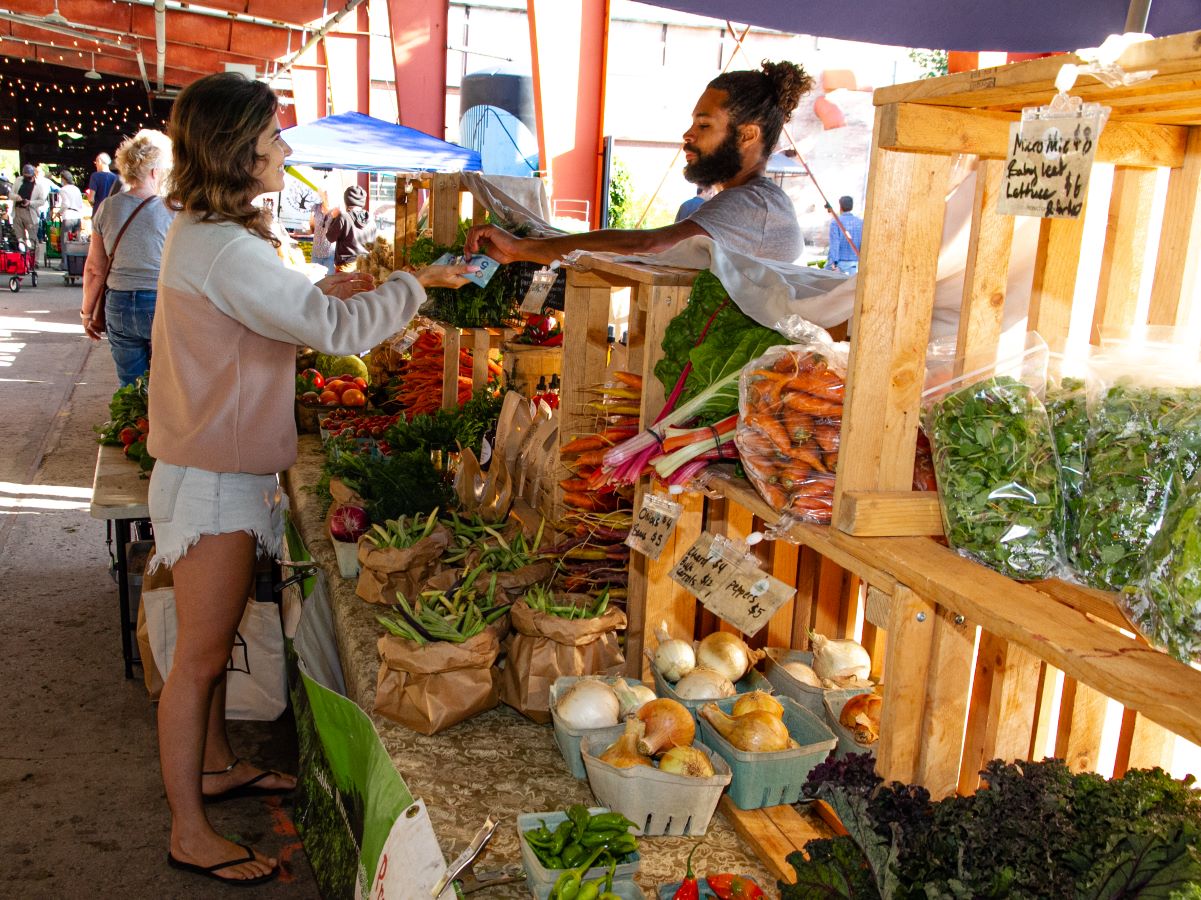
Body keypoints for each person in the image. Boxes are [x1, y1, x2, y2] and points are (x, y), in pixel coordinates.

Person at [143, 71, 472, 887]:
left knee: (209, 650)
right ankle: (188, 830)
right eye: (272, 136)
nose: (284, 148)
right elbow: (335, 334)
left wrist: (316, 288)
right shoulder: (224, 245)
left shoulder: (211, 236)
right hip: (212, 478)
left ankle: (216, 766)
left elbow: (259, 315)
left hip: (214, 467)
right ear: (237, 149)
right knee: (199, 660)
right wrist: (415, 285)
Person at [465, 60, 813, 265]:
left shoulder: (753, 205)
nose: (688, 135)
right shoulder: (756, 202)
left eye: (705, 125)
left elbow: (648, 245)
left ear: (747, 135)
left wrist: (523, 248)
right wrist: (529, 249)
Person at [81, 130, 176, 386]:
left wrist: (87, 313)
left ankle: (133, 412)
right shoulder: (172, 210)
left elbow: (94, 269)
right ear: (155, 172)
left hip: (118, 303)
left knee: (130, 385)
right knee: (165, 384)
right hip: (158, 302)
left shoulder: (107, 207)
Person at [326, 183, 376, 271]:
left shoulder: (344, 217)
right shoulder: (371, 218)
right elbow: (373, 243)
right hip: (365, 265)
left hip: (346, 267)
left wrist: (334, 218)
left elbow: (330, 237)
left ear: (347, 201)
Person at [12, 164, 50, 256]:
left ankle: (35, 260)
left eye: (28, 177)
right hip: (17, 211)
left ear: (33, 175)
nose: (26, 178)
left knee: (33, 239)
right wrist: (17, 197)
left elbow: (42, 201)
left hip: (30, 213)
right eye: (25, 176)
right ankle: (23, 258)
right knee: (20, 238)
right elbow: (11, 194)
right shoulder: (18, 181)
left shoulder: (39, 186)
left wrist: (30, 202)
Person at [826, 195, 863, 274]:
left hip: (841, 264)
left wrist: (832, 263)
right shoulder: (861, 222)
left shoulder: (835, 222)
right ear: (851, 207)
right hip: (856, 264)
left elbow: (835, 244)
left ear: (840, 206)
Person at [309, 181, 337, 274]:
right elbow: (311, 227)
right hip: (316, 252)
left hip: (330, 254)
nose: (327, 196)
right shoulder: (315, 208)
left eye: (329, 194)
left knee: (329, 280)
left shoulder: (336, 210)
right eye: (325, 194)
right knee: (314, 280)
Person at [56, 170, 84, 240]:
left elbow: (66, 204)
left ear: (63, 179)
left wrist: (59, 212)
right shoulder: (76, 189)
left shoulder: (63, 189)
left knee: (66, 241)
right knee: (77, 241)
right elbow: (80, 203)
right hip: (77, 216)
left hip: (68, 216)